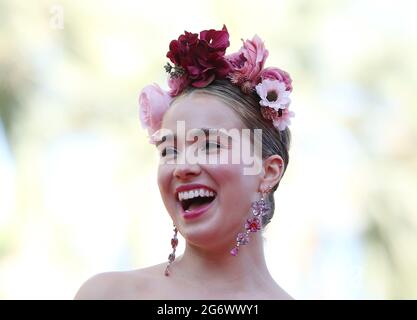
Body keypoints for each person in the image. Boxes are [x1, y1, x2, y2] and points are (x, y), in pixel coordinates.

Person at [75, 25, 295, 300]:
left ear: (268, 172)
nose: (182, 167)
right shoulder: (109, 295)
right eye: (168, 151)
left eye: (210, 146)